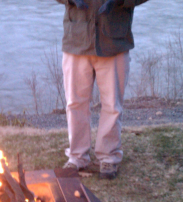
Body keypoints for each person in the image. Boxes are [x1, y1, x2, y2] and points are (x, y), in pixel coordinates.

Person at [55, 0, 148, 179]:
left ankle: (108, 157)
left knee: (112, 105)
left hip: (114, 41)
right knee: (75, 104)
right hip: (77, 39)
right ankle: (77, 157)